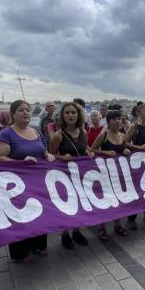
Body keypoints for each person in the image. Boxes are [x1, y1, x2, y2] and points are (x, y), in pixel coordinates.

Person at [0, 100, 56, 259]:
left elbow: (43, 151)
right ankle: (20, 253)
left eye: (28, 110)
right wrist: (20, 162)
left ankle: (39, 245)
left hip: (38, 184)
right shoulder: (6, 133)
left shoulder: (36, 131)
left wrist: (47, 155)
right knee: (20, 218)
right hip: (16, 186)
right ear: (13, 114)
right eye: (21, 110)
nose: (26, 113)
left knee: (41, 213)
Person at [50, 102, 93, 248]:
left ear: (78, 115)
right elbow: (51, 156)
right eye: (67, 113)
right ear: (62, 116)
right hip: (65, 176)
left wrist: (88, 152)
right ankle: (64, 234)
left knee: (80, 204)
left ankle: (77, 231)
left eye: (73, 112)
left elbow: (85, 147)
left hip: (80, 175)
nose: (71, 115)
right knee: (68, 206)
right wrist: (62, 157)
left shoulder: (84, 133)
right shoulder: (58, 135)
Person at [92, 110, 131, 240]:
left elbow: (124, 149)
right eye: (114, 118)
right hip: (104, 174)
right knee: (105, 201)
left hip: (118, 174)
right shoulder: (102, 135)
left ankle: (117, 225)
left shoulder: (122, 135)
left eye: (119, 118)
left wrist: (126, 150)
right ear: (108, 121)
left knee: (118, 200)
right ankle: (102, 229)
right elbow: (92, 150)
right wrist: (106, 153)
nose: (118, 121)